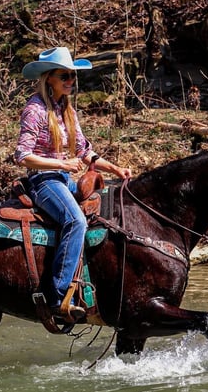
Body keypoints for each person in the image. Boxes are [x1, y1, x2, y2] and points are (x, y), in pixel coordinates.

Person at [15, 46, 132, 321]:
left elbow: (84, 151)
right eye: (65, 75)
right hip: (42, 181)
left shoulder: (67, 110)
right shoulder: (35, 109)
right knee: (75, 221)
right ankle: (57, 296)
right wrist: (61, 164)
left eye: (73, 76)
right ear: (49, 79)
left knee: (105, 211)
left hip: (63, 178)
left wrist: (115, 167)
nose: (71, 81)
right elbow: (23, 156)